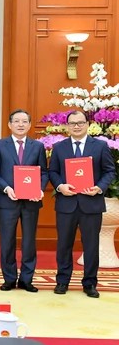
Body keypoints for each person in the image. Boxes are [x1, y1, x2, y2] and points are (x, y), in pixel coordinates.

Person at [48, 110, 115, 298]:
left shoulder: (100, 146)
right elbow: (52, 171)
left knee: (91, 245)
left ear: (87, 124)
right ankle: (62, 281)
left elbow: (109, 171)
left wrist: (99, 187)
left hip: (91, 203)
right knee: (64, 245)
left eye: (80, 122)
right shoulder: (59, 147)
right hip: (66, 204)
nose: (76, 126)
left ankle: (90, 283)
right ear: (67, 126)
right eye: (72, 123)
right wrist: (60, 186)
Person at [0, 109, 49, 293]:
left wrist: (39, 189)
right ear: (9, 124)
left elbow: (44, 172)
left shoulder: (37, 146)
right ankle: (9, 278)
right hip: (7, 200)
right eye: (16, 121)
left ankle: (26, 279)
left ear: (30, 125)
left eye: (24, 121)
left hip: (31, 201)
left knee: (29, 241)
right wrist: (7, 189)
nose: (21, 124)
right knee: (7, 240)